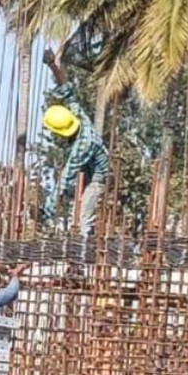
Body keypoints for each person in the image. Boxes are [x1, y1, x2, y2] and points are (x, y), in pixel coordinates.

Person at [41, 49, 109, 236]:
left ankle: (82, 250)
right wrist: (52, 65)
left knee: (82, 219)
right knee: (75, 214)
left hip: (97, 178)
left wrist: (48, 208)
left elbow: (66, 177)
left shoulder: (83, 146)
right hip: (87, 173)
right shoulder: (77, 114)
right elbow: (67, 89)